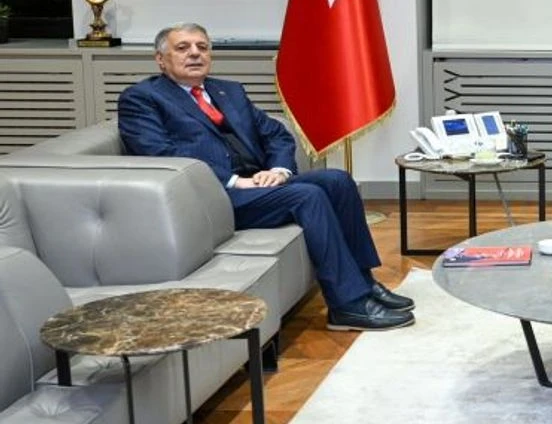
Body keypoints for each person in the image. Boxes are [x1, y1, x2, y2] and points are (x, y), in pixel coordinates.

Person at [117, 23, 415, 332]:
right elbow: (160, 154)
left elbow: (276, 134)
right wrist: (233, 181)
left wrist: (278, 171)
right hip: (214, 196)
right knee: (308, 195)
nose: (195, 54)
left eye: (202, 47)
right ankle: (347, 306)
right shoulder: (142, 98)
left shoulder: (228, 91)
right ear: (160, 60)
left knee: (338, 181)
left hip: (259, 184)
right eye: (183, 48)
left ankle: (364, 283)